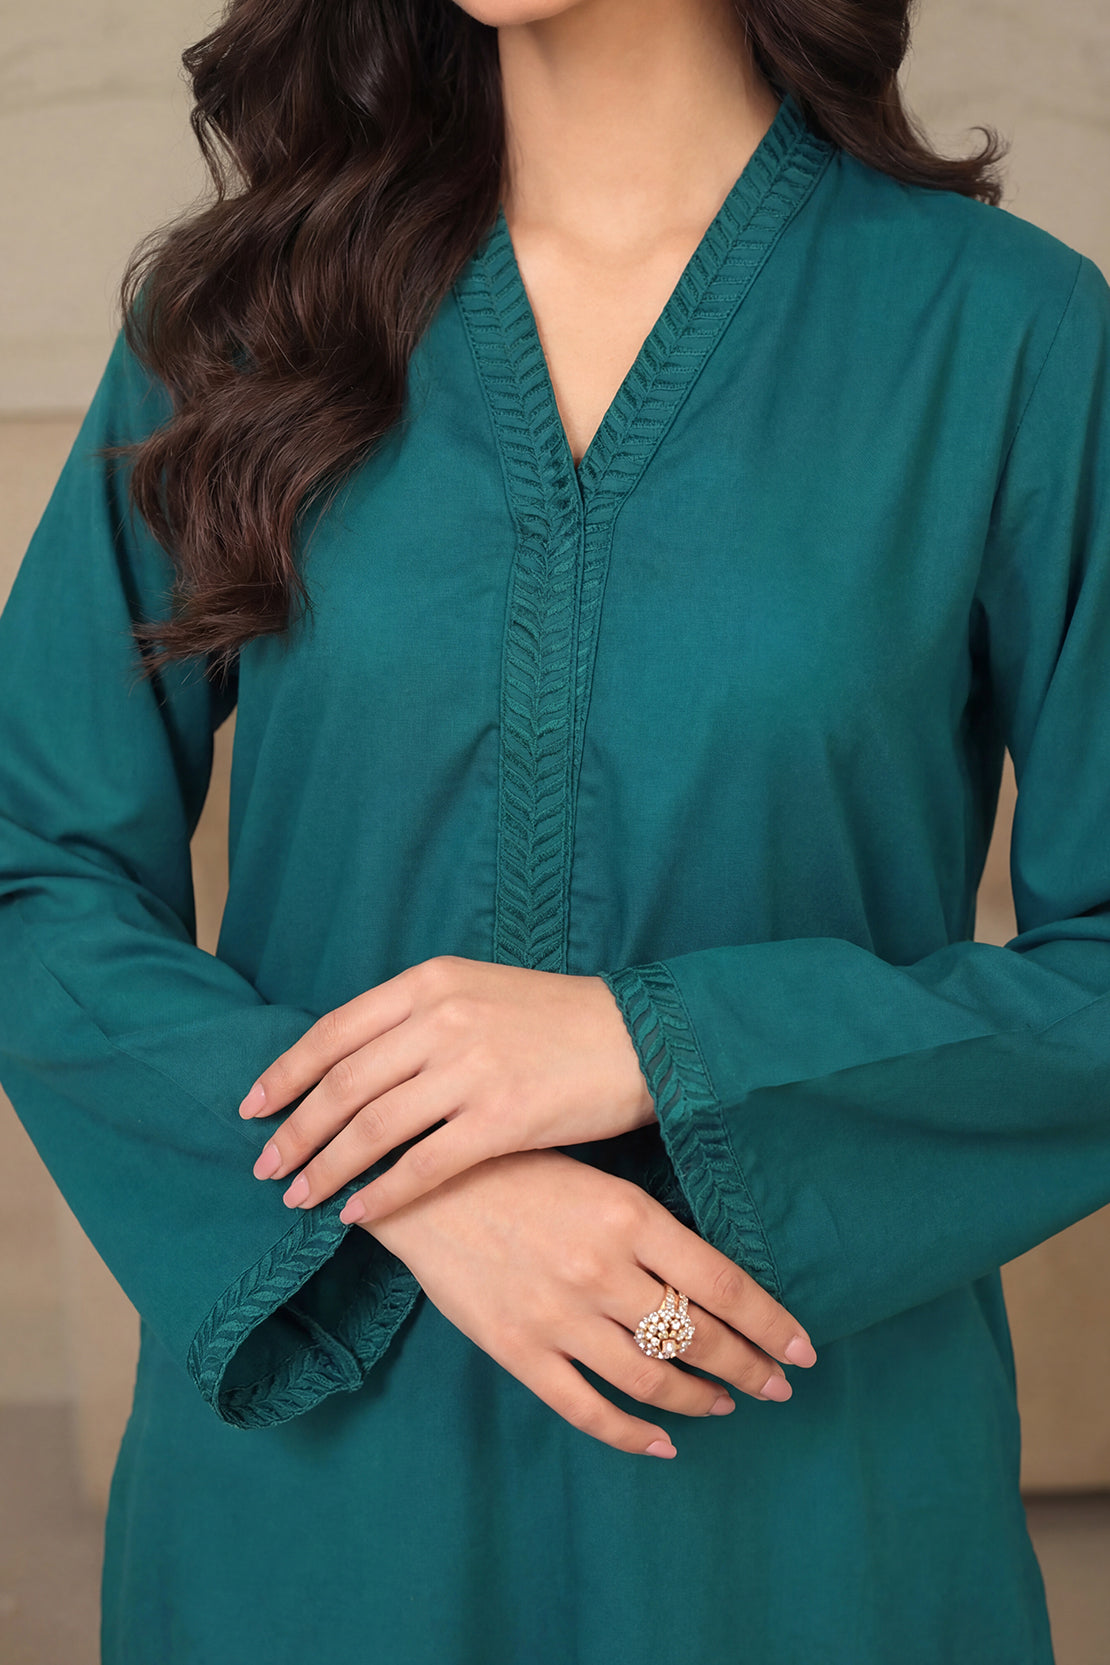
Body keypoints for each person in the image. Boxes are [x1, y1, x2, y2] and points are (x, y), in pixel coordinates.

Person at [2, 0, 1109, 1659]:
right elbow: (32, 864)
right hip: (314, 1504)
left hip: (791, 1515)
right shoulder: (238, 317)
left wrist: (650, 1043)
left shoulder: (1003, 336)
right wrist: (396, 1191)